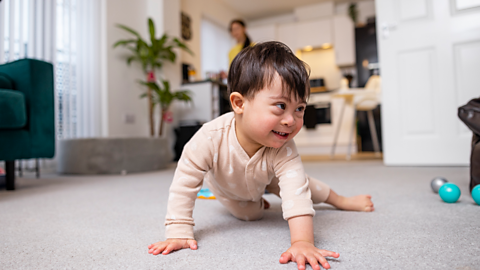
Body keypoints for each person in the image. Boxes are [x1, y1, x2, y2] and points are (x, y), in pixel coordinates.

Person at [148, 41, 374, 270]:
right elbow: (184, 184)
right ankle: (259, 199)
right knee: (252, 214)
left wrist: (303, 242)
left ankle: (341, 200)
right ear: (239, 103)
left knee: (303, 184)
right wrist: (178, 230)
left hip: (268, 176)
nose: (291, 120)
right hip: (231, 191)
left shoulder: (284, 145)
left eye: (299, 108)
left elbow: (296, 191)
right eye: (280, 106)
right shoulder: (209, 138)